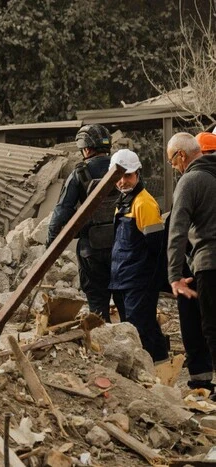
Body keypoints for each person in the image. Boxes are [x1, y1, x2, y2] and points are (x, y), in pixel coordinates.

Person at [47, 124, 117, 322]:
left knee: (97, 306)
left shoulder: (80, 173)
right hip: (121, 248)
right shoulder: (122, 169)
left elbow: (61, 212)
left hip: (91, 250)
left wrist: (50, 246)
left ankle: (102, 342)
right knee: (125, 301)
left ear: (85, 148)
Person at [167, 131, 216, 394]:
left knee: (211, 327)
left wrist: (174, 275)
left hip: (209, 263)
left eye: (173, 162)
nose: (174, 168)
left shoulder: (190, 181)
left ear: (182, 155)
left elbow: (177, 231)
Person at [108, 149, 168, 362]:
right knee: (136, 326)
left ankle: (155, 367)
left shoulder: (144, 203)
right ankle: (159, 364)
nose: (123, 181)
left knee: (140, 327)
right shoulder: (124, 202)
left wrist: (150, 281)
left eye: (128, 176)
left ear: (138, 174)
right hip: (123, 278)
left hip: (138, 280)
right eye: (119, 176)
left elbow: (157, 248)